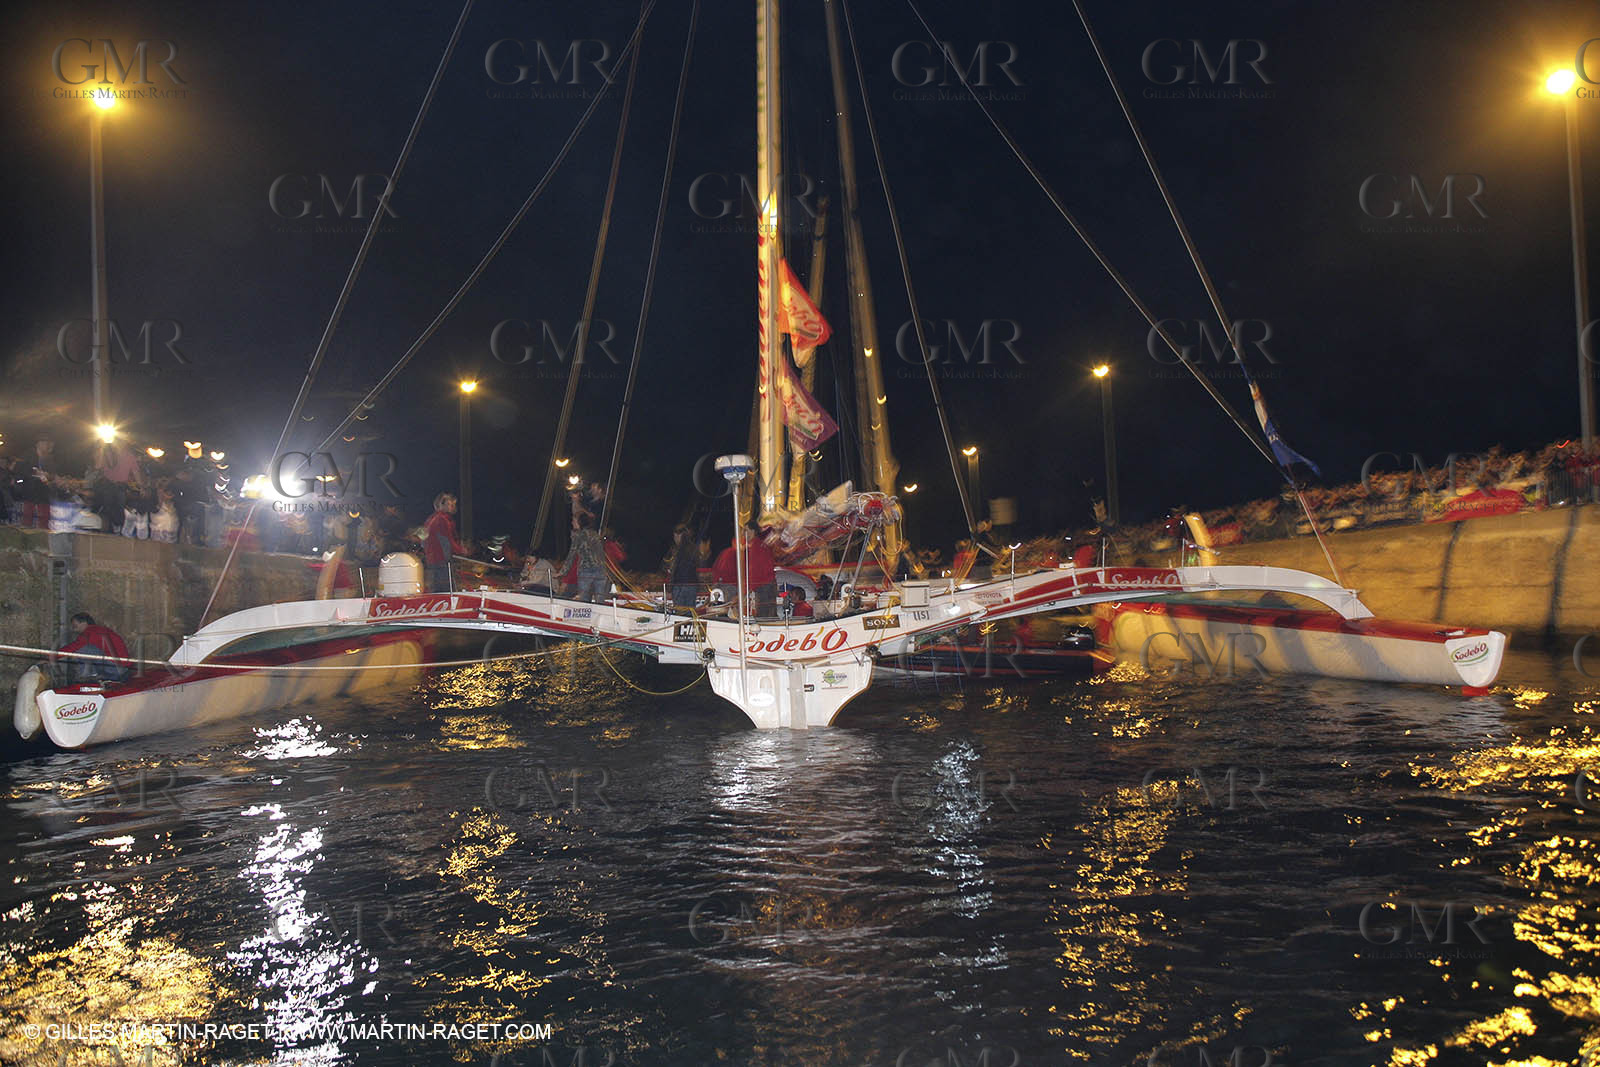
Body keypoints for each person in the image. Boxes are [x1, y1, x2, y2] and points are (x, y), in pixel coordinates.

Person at [711, 527, 776, 617]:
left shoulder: (754, 549)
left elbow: (754, 572)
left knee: (729, 614)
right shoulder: (754, 548)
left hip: (757, 587)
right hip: (746, 586)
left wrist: (743, 591)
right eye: (742, 531)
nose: (743, 533)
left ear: (753, 531)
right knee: (764, 616)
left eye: (745, 530)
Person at [56, 612, 131, 684]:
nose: (73, 628)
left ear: (84, 623)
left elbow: (73, 647)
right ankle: (94, 677)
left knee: (82, 650)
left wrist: (51, 656)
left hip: (115, 669)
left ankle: (88, 677)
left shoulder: (91, 632)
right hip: (122, 669)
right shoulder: (102, 630)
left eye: (75, 625)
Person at [422, 492, 469, 593]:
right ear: (441, 505)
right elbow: (448, 541)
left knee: (436, 590)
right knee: (447, 591)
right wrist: (461, 550)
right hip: (442, 560)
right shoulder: (443, 520)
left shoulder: (431, 519)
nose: (453, 507)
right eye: (450, 504)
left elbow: (423, 540)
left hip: (432, 560)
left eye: (453, 504)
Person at [562, 512, 609, 602]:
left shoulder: (577, 536)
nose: (572, 522)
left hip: (586, 570)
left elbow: (571, 555)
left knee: (584, 598)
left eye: (574, 521)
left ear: (579, 522)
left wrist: (563, 572)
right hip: (601, 570)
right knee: (600, 598)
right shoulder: (595, 535)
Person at [668, 524, 702, 611]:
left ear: (679, 535)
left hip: (680, 585)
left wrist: (670, 587)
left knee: (680, 613)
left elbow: (675, 569)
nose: (674, 539)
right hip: (692, 585)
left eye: (675, 536)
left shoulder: (678, 550)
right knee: (690, 612)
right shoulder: (694, 548)